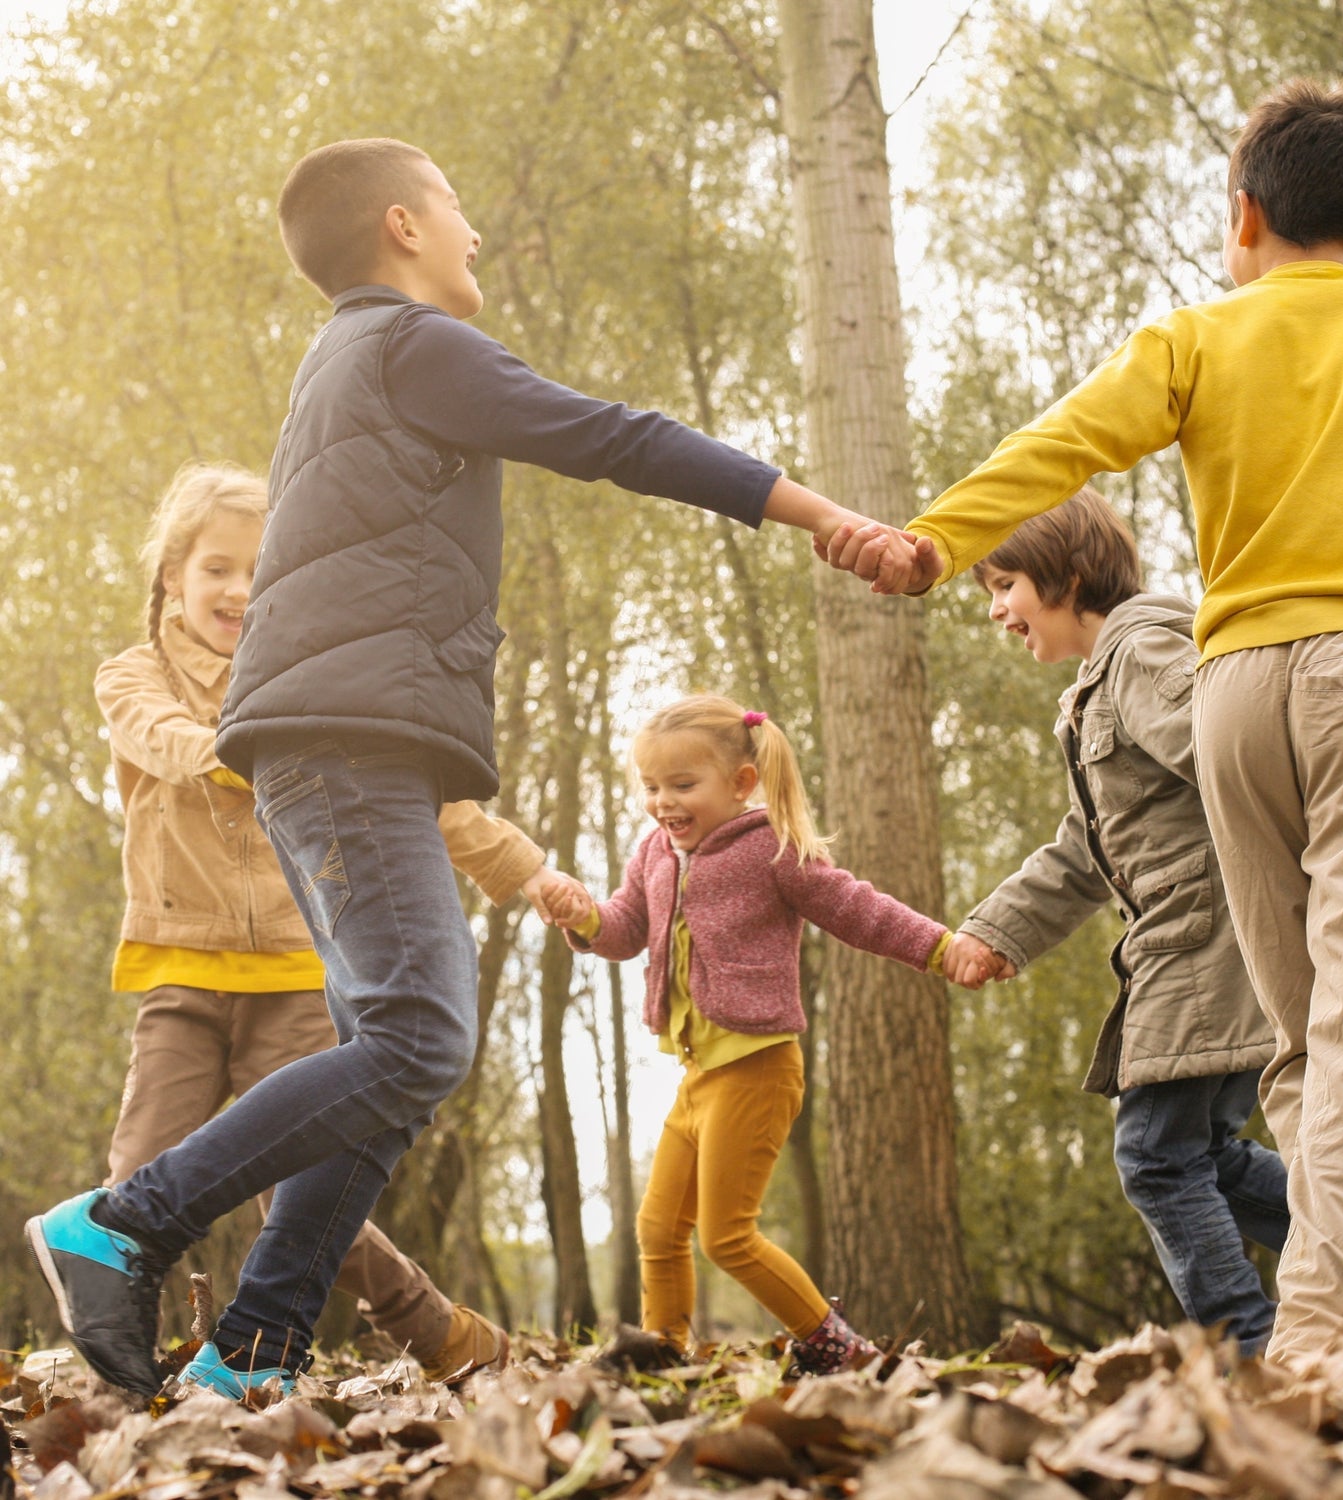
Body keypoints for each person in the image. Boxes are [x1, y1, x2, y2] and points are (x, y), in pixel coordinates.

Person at [28, 138, 892, 1401]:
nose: (475, 234)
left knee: (392, 1046)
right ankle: (121, 1222)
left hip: (326, 748)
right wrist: (820, 516)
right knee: (422, 1034)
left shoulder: (345, 362)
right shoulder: (405, 344)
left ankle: (255, 1343)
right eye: (457, 209)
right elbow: (612, 435)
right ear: (402, 226)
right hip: (344, 748)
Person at [826, 81, 1343, 1370]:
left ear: (1244, 215)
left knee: (1300, 1035)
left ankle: (1320, 1319)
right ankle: (1335, 1342)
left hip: (1239, 687)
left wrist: (933, 539)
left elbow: (1064, 444)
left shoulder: (1200, 336)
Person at [93, 461, 580, 1384]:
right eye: (217, 569)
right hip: (185, 975)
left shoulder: (312, 686)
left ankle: (436, 1332)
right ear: (172, 577)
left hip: (294, 976)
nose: (239, 591)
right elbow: (157, 736)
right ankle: (114, 1359)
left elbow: (426, 805)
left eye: (260, 570)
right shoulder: (133, 675)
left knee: (307, 1198)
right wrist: (257, 747)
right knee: (139, 1171)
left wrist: (528, 873)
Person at [943, 487, 1289, 1355]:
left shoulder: (1141, 653)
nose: (995, 611)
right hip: (1195, 943)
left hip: (1203, 938)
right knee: (1200, 1152)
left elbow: (1231, 756)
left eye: (1005, 584)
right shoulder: (1101, 688)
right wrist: (999, 929)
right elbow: (1083, 850)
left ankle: (1251, 1349)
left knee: (1154, 1158)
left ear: (1066, 572)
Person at [553, 695, 951, 1373]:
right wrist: (584, 916)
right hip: (699, 1074)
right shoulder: (654, 852)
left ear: (741, 783)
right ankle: (664, 1354)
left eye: (683, 786)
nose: (663, 803)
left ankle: (835, 1346)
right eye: (651, 787)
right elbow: (624, 929)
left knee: (727, 1235)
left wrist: (941, 949)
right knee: (658, 1229)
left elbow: (857, 909)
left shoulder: (771, 850)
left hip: (758, 1068)